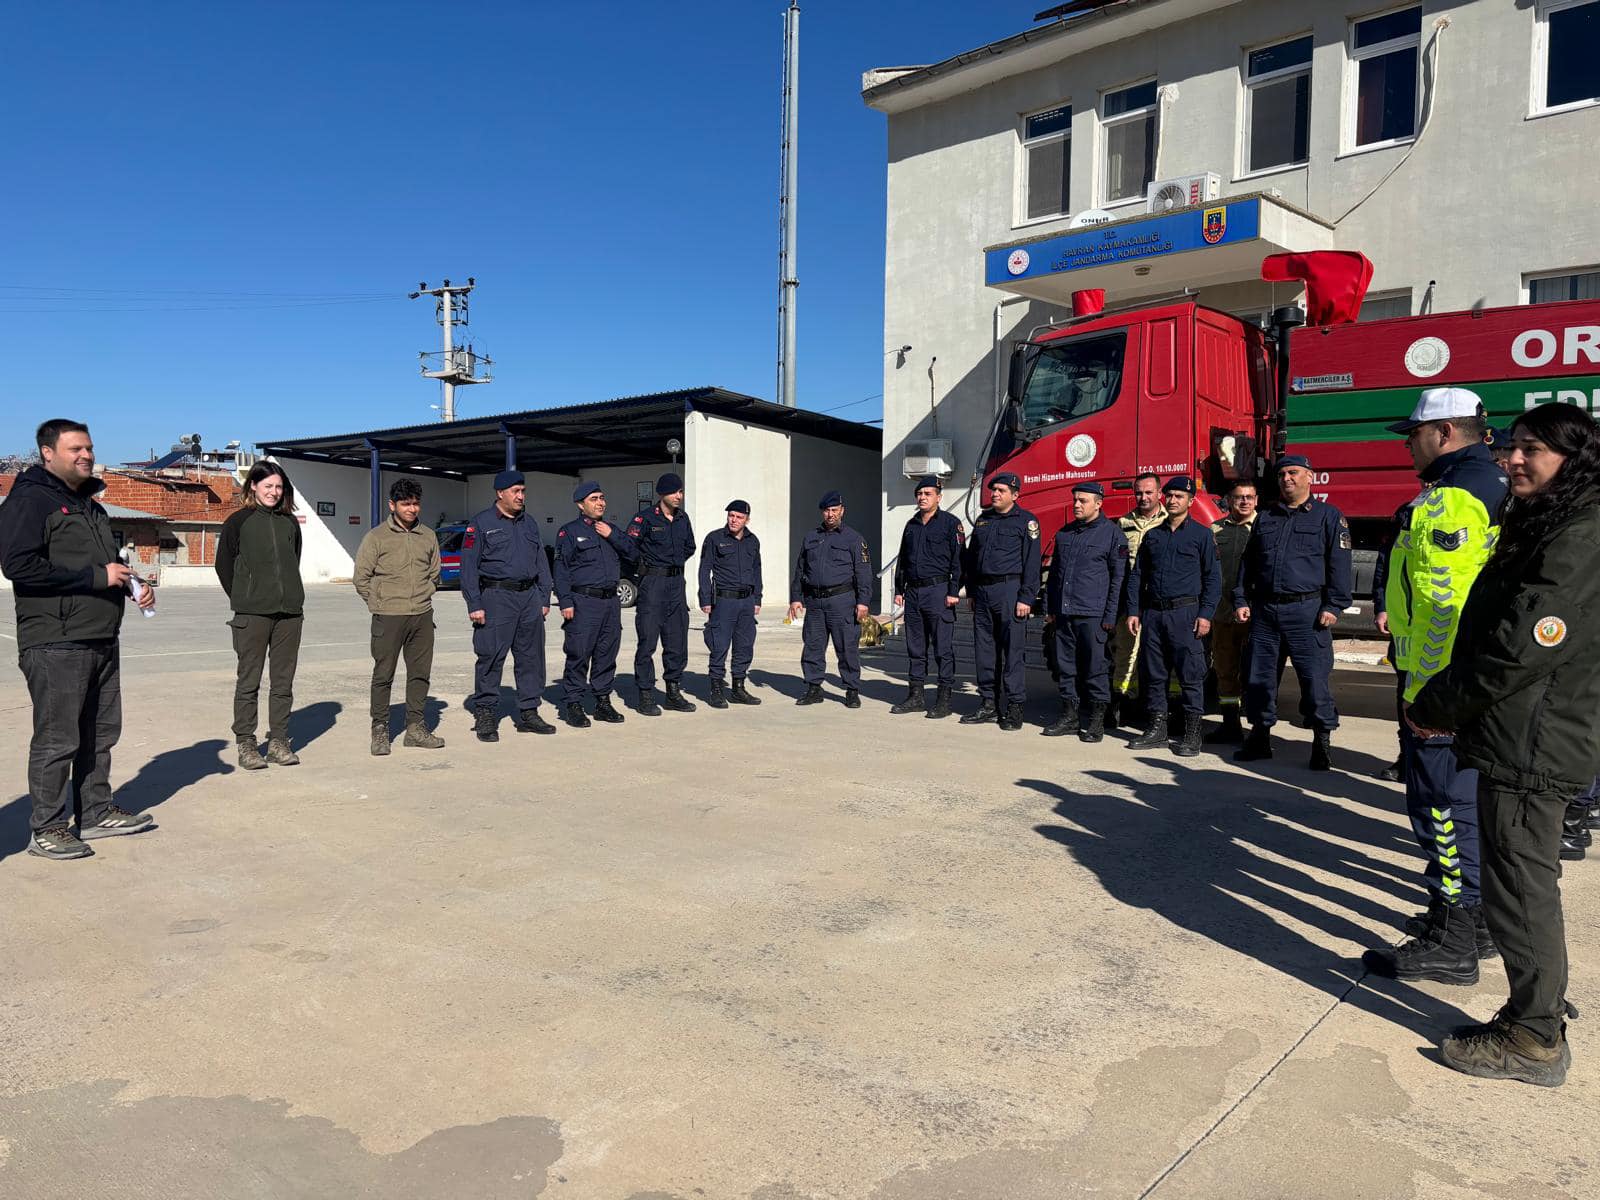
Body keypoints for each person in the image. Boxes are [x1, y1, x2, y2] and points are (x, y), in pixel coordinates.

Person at [1406, 401, 1600, 1086]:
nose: (1514, 460)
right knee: (1521, 883)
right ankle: (1538, 1005)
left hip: (1535, 743)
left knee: (1520, 888)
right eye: (1512, 446)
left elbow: (1521, 646)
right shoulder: (1554, 518)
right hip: (1524, 732)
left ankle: (1535, 1037)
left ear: (1572, 461)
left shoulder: (1581, 533)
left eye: (1534, 451)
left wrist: (1440, 705)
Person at [1363, 386, 1506, 984]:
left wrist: (1433, 696)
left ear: (1443, 433)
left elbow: (1446, 606)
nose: (1408, 445)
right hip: (1471, 687)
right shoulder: (1491, 485)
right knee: (1465, 806)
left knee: (1442, 809)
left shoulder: (1453, 502)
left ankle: (1455, 935)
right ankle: (1472, 923)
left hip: (1442, 693)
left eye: (1413, 435)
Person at [0, 418, 155, 859]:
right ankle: (47, 827)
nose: (86, 456)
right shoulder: (29, 501)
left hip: (101, 635)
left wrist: (134, 584)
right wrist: (96, 576)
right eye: (75, 449)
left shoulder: (90, 507)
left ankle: (96, 811)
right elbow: (19, 566)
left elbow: (110, 564)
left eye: (88, 448)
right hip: (56, 640)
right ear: (47, 453)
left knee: (100, 732)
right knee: (58, 738)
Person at [1232, 456, 1353, 770]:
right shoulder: (1266, 517)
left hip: (1308, 611)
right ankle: (1259, 737)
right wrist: (1242, 599)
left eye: (1294, 473)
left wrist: (1333, 606)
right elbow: (1249, 563)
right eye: (1282, 474)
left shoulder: (1328, 516)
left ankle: (1321, 743)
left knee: (1314, 680)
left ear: (1310, 477)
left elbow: (1339, 565)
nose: (1287, 479)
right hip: (1266, 611)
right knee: (1259, 678)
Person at [216, 460, 305, 770]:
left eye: (278, 487)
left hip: (290, 614)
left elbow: (294, 560)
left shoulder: (289, 523)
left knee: (283, 682)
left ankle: (279, 741)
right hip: (252, 614)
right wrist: (244, 596)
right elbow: (223, 565)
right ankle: (247, 743)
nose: (274, 492)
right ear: (253, 486)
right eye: (268, 486)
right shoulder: (239, 521)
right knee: (249, 681)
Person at [1123, 476, 1220, 756]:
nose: (1173, 500)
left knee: (1190, 675)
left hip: (1186, 613)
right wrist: (1133, 610)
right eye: (1170, 495)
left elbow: (1213, 578)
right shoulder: (1153, 535)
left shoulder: (1202, 535)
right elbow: (1137, 575)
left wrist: (1205, 615)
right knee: (1154, 675)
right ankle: (1157, 730)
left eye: (1180, 496)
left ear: (1191, 501)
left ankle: (1191, 734)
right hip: (1153, 614)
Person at [354, 478, 446, 756]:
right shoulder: (376, 537)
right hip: (388, 617)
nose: (412, 509)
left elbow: (435, 574)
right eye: (405, 504)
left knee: (420, 674)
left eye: (416, 503)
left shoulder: (428, 536)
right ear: (392, 505)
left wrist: (424, 594)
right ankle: (380, 729)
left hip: (421, 616)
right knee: (383, 674)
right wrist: (379, 603)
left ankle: (416, 728)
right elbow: (362, 578)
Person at [462, 469, 555, 742]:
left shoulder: (530, 523)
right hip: (495, 597)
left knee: (530, 658)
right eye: (515, 491)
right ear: (499, 493)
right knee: (491, 657)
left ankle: (528, 712)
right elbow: (469, 567)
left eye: (523, 491)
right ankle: (486, 714)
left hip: (529, 599)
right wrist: (474, 603)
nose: (521, 496)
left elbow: (541, 561)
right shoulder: (480, 523)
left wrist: (545, 596)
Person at [1042, 481, 1128, 741]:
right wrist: (1049, 607)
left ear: (1099, 503)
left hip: (1093, 615)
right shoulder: (1065, 534)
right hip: (1064, 613)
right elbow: (1055, 575)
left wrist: (1110, 616)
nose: (1077, 505)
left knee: (1095, 669)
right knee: (1065, 667)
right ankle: (1069, 716)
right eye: (1075, 500)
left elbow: (1118, 580)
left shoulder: (1112, 535)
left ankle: (1097, 721)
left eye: (1083, 501)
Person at [959, 472, 1041, 732]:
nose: (994, 494)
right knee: (984, 651)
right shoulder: (984, 520)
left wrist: (1027, 597)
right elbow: (972, 560)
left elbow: (1032, 563)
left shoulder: (1026, 522)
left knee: (1013, 652)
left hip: (1010, 590)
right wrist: (971, 591)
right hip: (983, 593)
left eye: (1001, 490)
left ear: (1015, 495)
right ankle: (988, 703)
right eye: (993, 490)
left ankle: (1014, 706)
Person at [553, 481, 637, 727]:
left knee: (606, 653)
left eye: (601, 497)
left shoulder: (611, 530)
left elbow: (633, 554)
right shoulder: (568, 532)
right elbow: (561, 570)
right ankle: (574, 704)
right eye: (594, 499)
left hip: (610, 602)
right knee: (579, 653)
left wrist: (613, 536)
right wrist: (565, 601)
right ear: (581, 504)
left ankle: (602, 701)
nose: (600, 502)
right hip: (583, 602)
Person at [788, 491, 873, 708]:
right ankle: (814, 688)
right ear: (822, 512)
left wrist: (863, 601)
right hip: (815, 603)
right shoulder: (811, 537)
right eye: (827, 510)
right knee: (813, 646)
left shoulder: (854, 538)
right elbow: (800, 569)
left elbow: (863, 572)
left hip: (842, 601)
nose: (830, 514)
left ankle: (852, 690)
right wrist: (795, 597)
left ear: (842, 511)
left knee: (847, 648)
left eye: (835, 510)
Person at [889, 475, 964, 719]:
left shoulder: (951, 524)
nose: (922, 498)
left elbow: (959, 561)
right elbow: (903, 559)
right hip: (914, 593)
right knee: (915, 648)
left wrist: (954, 591)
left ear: (938, 497)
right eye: (919, 494)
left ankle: (943, 699)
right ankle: (916, 696)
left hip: (939, 592)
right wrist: (899, 589)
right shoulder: (911, 525)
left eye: (928, 494)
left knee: (942, 649)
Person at [627, 472, 697, 716]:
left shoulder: (682, 518)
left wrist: (673, 563)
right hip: (653, 584)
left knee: (677, 640)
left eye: (680, 491)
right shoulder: (645, 518)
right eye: (674, 492)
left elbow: (690, 546)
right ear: (662, 494)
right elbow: (629, 547)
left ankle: (673, 692)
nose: (679, 496)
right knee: (648, 640)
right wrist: (646, 568)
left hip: (677, 583)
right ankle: (645, 694)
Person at [1107, 473, 1166, 730]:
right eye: (1139, 493)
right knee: (1125, 652)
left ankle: (1156, 708)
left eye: (1149, 492)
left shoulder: (1169, 522)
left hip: (1158, 600)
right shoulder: (1123, 523)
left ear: (1159, 493)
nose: (1144, 497)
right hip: (1129, 600)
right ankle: (1122, 704)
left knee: (1158, 657)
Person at [1205, 480, 1257, 744]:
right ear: (1229, 500)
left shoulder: (1264, 528)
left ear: (1256, 500)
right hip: (1223, 614)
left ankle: (1259, 729)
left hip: (1256, 618)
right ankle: (1230, 724)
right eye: (1239, 497)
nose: (1244, 502)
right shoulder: (1215, 529)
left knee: (1256, 672)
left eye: (1249, 497)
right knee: (1225, 670)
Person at [698, 499, 763, 708]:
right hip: (723, 601)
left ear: (747, 519)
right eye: (731, 516)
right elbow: (704, 570)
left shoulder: (753, 541)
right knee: (719, 645)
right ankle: (716, 689)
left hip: (746, 601)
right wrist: (705, 598)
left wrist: (758, 598)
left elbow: (757, 570)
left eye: (739, 517)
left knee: (745, 645)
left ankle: (738, 687)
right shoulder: (715, 538)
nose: (734, 520)